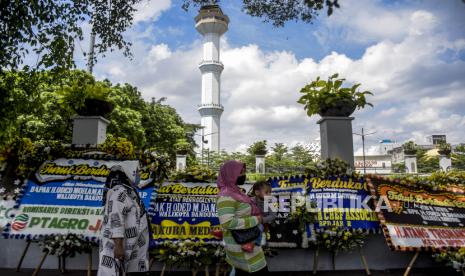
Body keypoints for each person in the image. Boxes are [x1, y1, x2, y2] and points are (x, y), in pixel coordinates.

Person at [216, 160, 268, 275]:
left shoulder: (237, 193)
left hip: (247, 246)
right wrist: (256, 219)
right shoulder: (226, 197)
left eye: (244, 172)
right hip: (243, 250)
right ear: (231, 174)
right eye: (241, 172)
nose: (244, 175)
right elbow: (227, 223)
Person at [98, 165, 149, 276]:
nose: (139, 175)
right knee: (114, 272)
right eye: (137, 173)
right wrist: (119, 246)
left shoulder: (129, 191)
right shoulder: (119, 193)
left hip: (132, 247)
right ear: (129, 174)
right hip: (117, 247)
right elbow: (116, 220)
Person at [251, 181, 276, 246]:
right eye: (266, 192)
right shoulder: (251, 201)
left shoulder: (270, 202)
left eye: (270, 192)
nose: (269, 194)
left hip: (263, 221)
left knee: (259, 227)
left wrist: (262, 219)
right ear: (257, 192)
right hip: (251, 220)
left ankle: (256, 244)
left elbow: (273, 215)